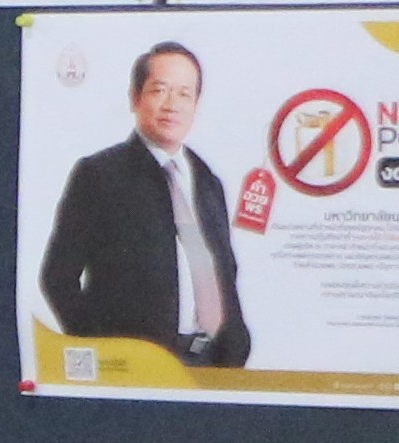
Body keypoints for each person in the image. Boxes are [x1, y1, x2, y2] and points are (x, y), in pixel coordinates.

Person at [40, 38, 252, 369]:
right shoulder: (99, 175)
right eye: (159, 90)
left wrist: (235, 346)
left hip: (211, 362)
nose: (172, 104)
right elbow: (58, 277)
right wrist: (104, 350)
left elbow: (224, 272)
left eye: (184, 94)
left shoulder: (208, 181)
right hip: (137, 365)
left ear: (196, 104)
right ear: (135, 98)